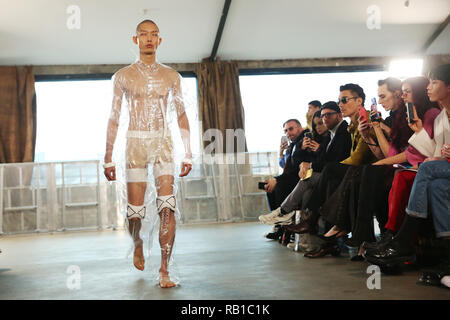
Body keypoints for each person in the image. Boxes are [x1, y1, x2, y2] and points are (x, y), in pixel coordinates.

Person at [103, 20, 192, 288]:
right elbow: (115, 116)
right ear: (136, 40)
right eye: (144, 34)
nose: (149, 39)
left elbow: (182, 114)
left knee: (167, 205)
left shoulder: (171, 76)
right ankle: (138, 242)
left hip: (163, 142)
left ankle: (165, 268)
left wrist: (188, 153)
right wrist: (108, 156)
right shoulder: (123, 76)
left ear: (160, 40)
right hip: (135, 144)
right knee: (135, 212)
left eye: (154, 35)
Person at [364, 64, 450, 287]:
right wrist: (420, 132)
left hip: (430, 168)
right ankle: (447, 260)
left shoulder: (433, 113)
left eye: (434, 82)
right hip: (441, 171)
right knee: (435, 186)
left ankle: (401, 240)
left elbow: (420, 157)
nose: (430, 86)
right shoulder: (441, 118)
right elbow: (434, 153)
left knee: (424, 170)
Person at [260, 102, 351, 225]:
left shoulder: (339, 133)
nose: (324, 121)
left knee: (301, 181)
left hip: (336, 174)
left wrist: (312, 160)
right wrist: (293, 152)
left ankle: (284, 213)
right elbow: (291, 164)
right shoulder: (322, 137)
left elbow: (331, 161)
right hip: (317, 173)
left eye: (327, 115)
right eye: (321, 118)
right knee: (304, 188)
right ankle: (302, 235)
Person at [262, 119, 313, 240]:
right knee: (270, 189)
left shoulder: (304, 140)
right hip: (292, 176)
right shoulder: (293, 144)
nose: (288, 133)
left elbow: (295, 168)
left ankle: (284, 221)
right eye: (285, 130)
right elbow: (287, 166)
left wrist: (277, 180)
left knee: (279, 186)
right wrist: (281, 153)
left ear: (299, 128)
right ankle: (278, 225)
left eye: (291, 129)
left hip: (303, 177)